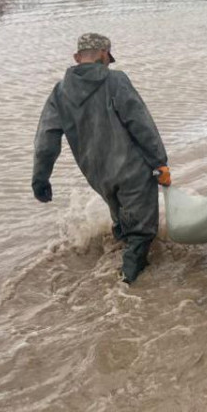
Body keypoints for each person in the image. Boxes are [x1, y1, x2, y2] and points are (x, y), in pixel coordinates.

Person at [32, 33, 171, 285]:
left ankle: (124, 265)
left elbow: (46, 139)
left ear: (77, 58)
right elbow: (140, 123)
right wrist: (159, 162)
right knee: (142, 232)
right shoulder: (115, 80)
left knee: (121, 222)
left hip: (98, 176)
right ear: (105, 54)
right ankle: (128, 286)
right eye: (108, 58)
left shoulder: (60, 92)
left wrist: (40, 178)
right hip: (132, 171)